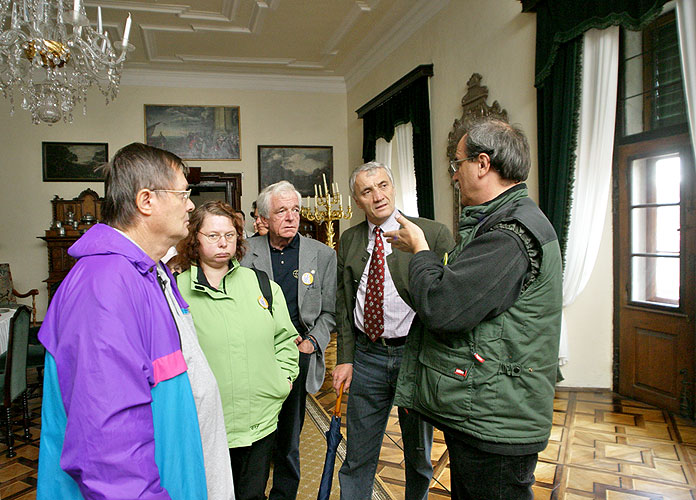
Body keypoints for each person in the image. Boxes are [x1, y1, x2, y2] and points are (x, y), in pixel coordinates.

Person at [37, 142, 234, 499]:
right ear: (147, 201)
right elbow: (108, 448)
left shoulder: (149, 270)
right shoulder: (105, 283)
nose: (191, 204)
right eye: (183, 193)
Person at [386, 117, 563, 500]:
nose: (454, 176)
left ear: (483, 164)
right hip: (486, 408)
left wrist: (421, 250)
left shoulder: (510, 235)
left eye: (457, 164)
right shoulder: (502, 223)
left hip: (497, 420)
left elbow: (444, 308)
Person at [332, 162, 454, 500]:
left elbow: (448, 298)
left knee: (418, 457)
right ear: (357, 200)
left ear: (394, 187)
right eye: (367, 191)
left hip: (414, 357)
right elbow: (344, 304)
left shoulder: (432, 233)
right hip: (367, 357)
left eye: (383, 185)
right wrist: (345, 358)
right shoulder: (350, 239)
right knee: (357, 456)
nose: (378, 195)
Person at [174, 200, 299, 500]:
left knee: (252, 495)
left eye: (230, 235)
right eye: (213, 236)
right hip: (205, 425)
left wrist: (284, 381)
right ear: (195, 239)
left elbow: (285, 340)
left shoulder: (262, 285)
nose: (223, 243)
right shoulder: (176, 291)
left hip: (261, 421)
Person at [242, 181, 337, 500]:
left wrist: (312, 342)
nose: (291, 217)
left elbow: (330, 312)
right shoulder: (244, 251)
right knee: (254, 436)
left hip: (296, 356)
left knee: (289, 437)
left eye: (295, 209)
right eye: (282, 210)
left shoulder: (321, 255)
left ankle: (284, 495)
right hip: (253, 357)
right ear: (265, 218)